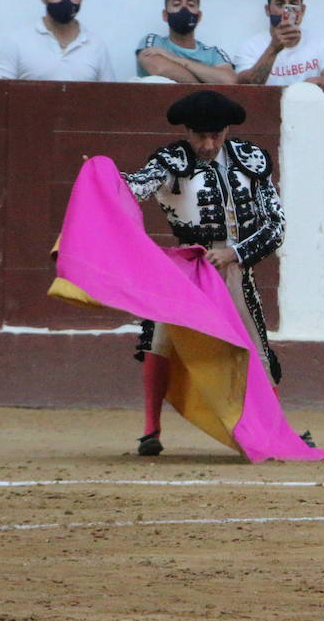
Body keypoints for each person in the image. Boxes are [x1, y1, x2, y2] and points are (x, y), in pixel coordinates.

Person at [122, 89, 288, 456]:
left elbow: (276, 224)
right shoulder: (170, 162)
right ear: (187, 131)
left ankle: (273, 430)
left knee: (257, 351)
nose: (209, 144)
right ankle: (151, 430)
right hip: (184, 267)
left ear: (227, 130)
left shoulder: (252, 160)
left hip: (234, 268)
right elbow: (136, 187)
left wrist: (235, 253)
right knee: (158, 340)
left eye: (217, 135)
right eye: (201, 136)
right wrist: (107, 181)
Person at [0, 0, 117, 81]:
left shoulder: (96, 45)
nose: (66, 0)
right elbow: (1, 94)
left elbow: (109, 97)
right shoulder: (17, 42)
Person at [233, 0, 324, 87]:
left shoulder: (320, 42)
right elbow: (245, 86)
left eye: (293, 4)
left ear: (302, 10)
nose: (286, 12)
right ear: (268, 10)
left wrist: (314, 83)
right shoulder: (250, 47)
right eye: (280, 4)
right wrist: (273, 49)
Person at [135, 0, 237, 83]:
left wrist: (175, 59)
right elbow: (160, 69)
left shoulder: (213, 53)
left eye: (191, 5)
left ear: (199, 16)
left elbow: (229, 80)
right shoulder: (153, 41)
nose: (184, 10)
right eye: (176, 4)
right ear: (165, 15)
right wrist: (205, 83)